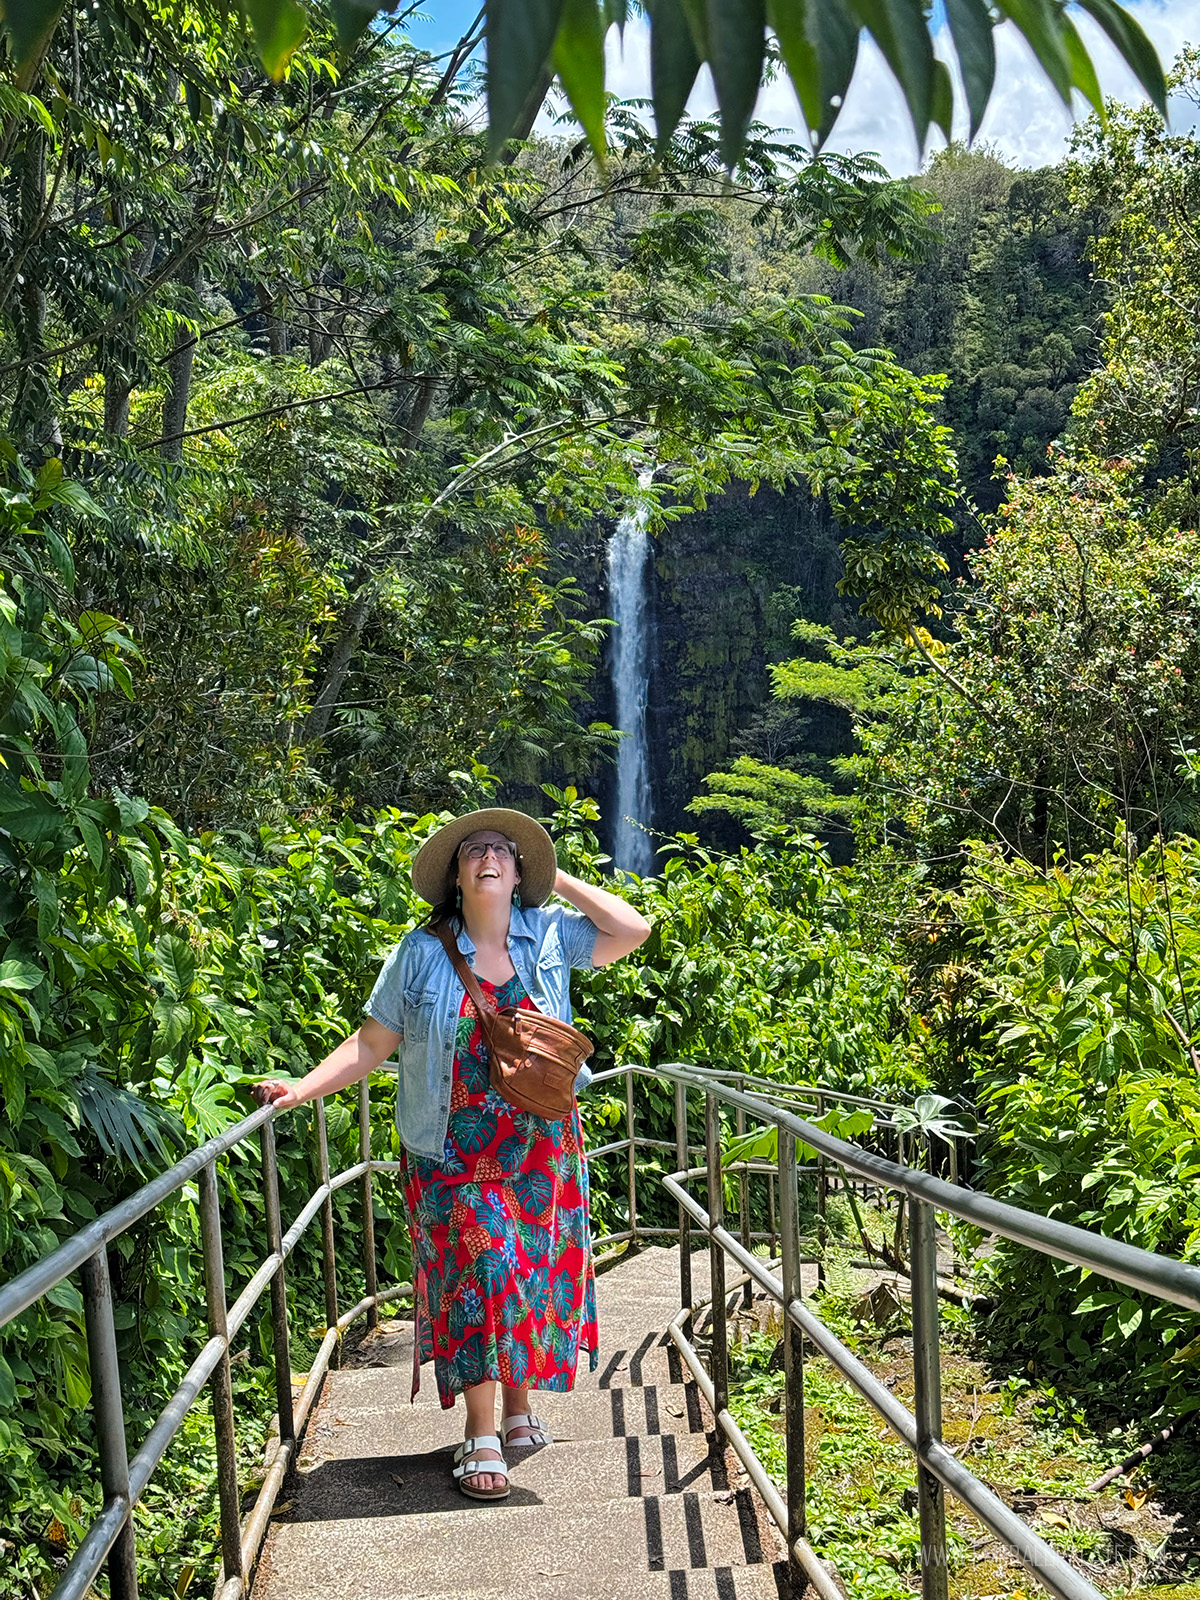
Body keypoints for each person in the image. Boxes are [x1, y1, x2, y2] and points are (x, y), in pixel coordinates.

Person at [254, 807, 651, 1501]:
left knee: (523, 1278)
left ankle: (520, 1409)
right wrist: (301, 1089)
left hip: (540, 1148)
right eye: (473, 851)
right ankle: (481, 1431)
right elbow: (371, 1044)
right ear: (457, 876)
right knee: (483, 1270)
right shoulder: (421, 953)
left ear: (520, 871)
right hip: (450, 1154)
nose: (487, 858)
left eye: (502, 850)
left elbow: (633, 929)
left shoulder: (551, 933)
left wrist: (561, 882)